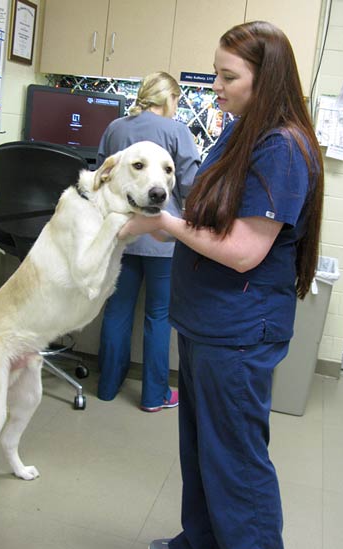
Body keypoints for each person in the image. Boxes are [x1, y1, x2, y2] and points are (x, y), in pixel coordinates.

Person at [118, 21, 324, 549]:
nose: (215, 85)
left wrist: (163, 223)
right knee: (202, 450)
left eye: (227, 76)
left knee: (236, 461)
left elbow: (243, 251)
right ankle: (201, 547)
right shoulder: (240, 129)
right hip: (207, 321)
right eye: (215, 72)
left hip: (239, 329)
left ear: (267, 79)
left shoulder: (281, 147)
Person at [96, 71, 201, 412]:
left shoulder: (115, 128)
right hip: (161, 239)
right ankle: (155, 396)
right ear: (169, 98)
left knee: (117, 309)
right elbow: (191, 186)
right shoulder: (177, 131)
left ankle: (108, 386)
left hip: (121, 235)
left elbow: (102, 177)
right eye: (177, 100)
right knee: (158, 316)